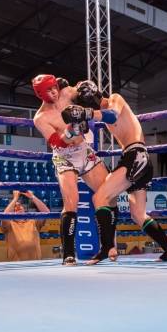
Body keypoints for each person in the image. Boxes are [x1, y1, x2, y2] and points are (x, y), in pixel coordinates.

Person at [62, 80, 167, 264]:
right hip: (138, 158)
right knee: (137, 214)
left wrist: (86, 113)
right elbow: (84, 127)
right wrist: (77, 126)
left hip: (136, 156)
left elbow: (112, 115)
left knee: (99, 198)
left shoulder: (115, 99)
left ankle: (107, 248)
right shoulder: (100, 112)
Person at [32, 74, 111, 266]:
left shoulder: (66, 93)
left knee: (107, 193)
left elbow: (83, 92)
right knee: (71, 202)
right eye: (48, 90)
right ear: (40, 94)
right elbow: (57, 142)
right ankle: (68, 254)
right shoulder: (40, 118)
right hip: (64, 156)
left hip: (83, 149)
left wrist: (88, 91)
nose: (53, 92)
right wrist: (72, 130)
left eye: (54, 88)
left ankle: (108, 247)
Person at [1, 190, 47, 261]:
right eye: (15, 206)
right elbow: (4, 216)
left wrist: (32, 197)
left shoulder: (33, 222)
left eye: (20, 205)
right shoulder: (9, 224)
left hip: (35, 263)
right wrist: (15, 198)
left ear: (24, 209)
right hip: (16, 264)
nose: (18, 207)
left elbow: (46, 212)